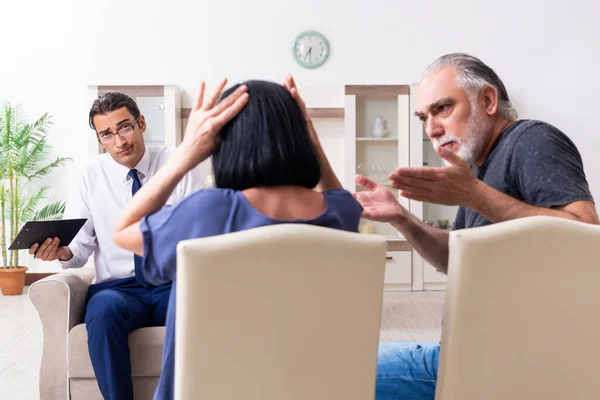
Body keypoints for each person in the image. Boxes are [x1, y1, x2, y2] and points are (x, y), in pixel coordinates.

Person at [354, 53, 599, 400]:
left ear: (487, 100)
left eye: (442, 109)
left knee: (334, 372)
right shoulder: (480, 169)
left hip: (504, 368)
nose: (432, 129)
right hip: (465, 352)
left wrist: (475, 195)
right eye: (424, 117)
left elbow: (586, 238)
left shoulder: (531, 139)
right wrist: (401, 218)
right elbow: (456, 259)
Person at [111, 76, 364, 400]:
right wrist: (310, 138)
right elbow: (337, 194)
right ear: (300, 135)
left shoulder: (207, 213)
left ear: (225, 141)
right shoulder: (340, 214)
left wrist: (186, 154)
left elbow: (121, 230)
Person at [28, 92, 205, 400]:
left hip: (174, 282)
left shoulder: (179, 163)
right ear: (100, 140)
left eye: (125, 127)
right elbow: (80, 245)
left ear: (141, 123)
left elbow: (203, 231)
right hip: (120, 289)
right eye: (107, 134)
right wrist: (62, 252)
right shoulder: (90, 175)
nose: (120, 141)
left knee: (196, 309)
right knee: (104, 310)